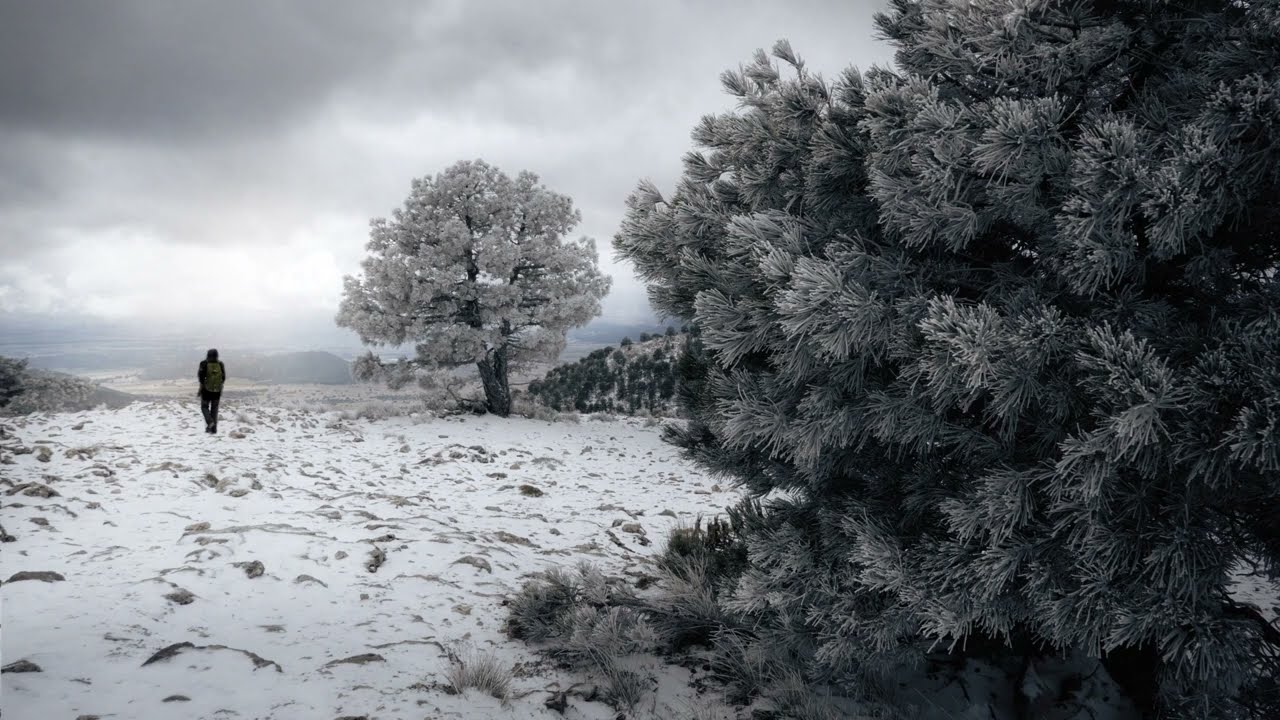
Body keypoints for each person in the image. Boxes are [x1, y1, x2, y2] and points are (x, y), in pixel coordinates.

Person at [197, 349, 226, 434]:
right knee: (214, 409)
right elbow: (223, 378)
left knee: (204, 407)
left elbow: (201, 378)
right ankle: (213, 430)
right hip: (217, 391)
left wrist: (201, 389)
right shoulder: (220, 364)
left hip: (206, 390)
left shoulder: (204, 363)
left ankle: (210, 423)